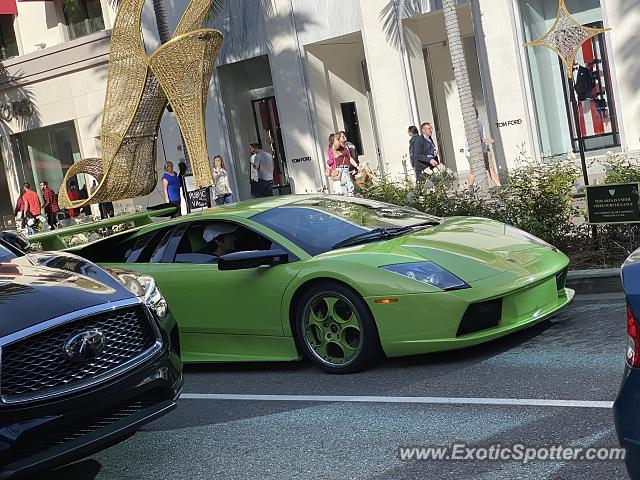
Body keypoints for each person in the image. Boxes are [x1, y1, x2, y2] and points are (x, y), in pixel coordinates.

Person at [465, 106, 502, 190]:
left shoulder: (479, 122)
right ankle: (469, 189)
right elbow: (472, 140)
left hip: (484, 149)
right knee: (474, 171)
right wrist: (486, 140)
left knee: (491, 168)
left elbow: (482, 135)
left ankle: (499, 186)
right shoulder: (469, 126)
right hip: (472, 153)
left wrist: (485, 143)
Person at [327, 132, 359, 196]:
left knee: (345, 187)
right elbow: (335, 146)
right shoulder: (333, 148)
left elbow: (349, 158)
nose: (344, 137)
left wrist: (357, 166)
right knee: (348, 186)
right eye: (342, 137)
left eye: (344, 136)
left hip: (346, 169)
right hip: (339, 169)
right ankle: (350, 198)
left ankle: (348, 199)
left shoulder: (345, 148)